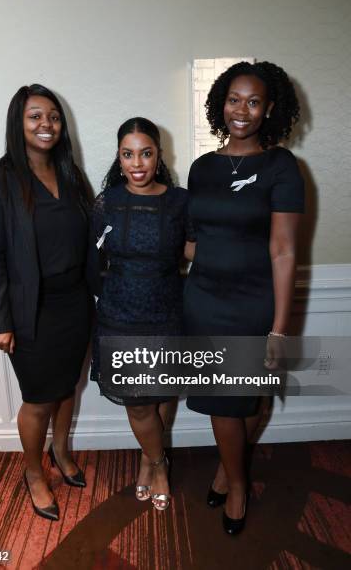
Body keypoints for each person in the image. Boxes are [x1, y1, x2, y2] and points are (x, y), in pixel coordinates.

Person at [184, 61, 304, 534]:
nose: (242, 110)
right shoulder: (202, 167)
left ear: (269, 108)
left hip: (253, 301)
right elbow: (194, 242)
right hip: (204, 298)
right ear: (220, 103)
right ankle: (236, 480)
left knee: (250, 398)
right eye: (234, 99)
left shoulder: (282, 166)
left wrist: (279, 328)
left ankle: (230, 474)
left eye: (254, 101)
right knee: (222, 402)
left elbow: (283, 249)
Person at [0, 84, 92, 521]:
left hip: (76, 303)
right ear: (18, 123)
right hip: (30, 310)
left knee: (67, 389)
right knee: (39, 398)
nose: (47, 125)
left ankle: (61, 451)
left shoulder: (72, 175)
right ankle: (32, 471)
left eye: (54, 117)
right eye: (35, 116)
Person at [91, 117, 193, 510]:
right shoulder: (107, 202)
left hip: (167, 310)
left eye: (146, 153)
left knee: (162, 394)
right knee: (137, 402)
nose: (137, 163)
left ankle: (146, 458)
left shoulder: (180, 201)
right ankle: (158, 461)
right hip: (120, 313)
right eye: (128, 154)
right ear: (118, 159)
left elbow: (192, 251)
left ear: (159, 156)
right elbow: (92, 259)